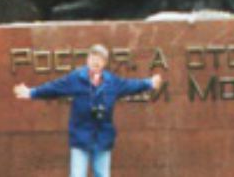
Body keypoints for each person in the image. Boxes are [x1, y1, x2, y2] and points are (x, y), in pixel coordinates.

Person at [13, 45, 164, 177]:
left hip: (103, 138)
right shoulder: (76, 78)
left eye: (100, 59)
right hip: (81, 137)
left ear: (104, 63)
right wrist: (32, 92)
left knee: (102, 175)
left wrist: (149, 83)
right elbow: (54, 88)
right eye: (93, 58)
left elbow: (130, 85)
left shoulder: (112, 82)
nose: (95, 62)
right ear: (87, 60)